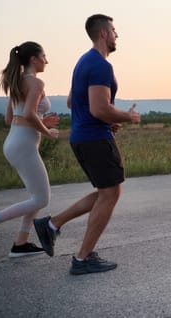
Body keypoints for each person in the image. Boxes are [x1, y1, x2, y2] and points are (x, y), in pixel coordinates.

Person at [33, 14, 141, 275]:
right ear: (103, 33)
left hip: (83, 136)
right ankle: (81, 259)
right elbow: (99, 107)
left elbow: (73, 101)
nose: (117, 35)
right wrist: (127, 116)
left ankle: (52, 224)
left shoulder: (83, 62)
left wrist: (106, 119)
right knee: (111, 194)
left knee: (107, 192)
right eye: (114, 30)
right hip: (94, 138)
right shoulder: (100, 65)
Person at [0, 41, 60, 257]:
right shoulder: (36, 83)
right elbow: (28, 114)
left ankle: (21, 243)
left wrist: (42, 121)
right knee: (42, 199)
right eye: (44, 56)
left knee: (37, 196)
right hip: (24, 145)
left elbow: (11, 118)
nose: (46, 60)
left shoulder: (16, 82)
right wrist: (48, 131)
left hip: (14, 142)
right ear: (34, 59)